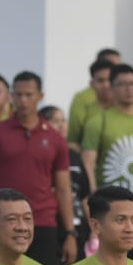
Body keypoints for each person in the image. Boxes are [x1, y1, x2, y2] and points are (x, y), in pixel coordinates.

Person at [0, 71, 75, 265]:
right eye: (18, 94)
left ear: (40, 96)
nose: (23, 100)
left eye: (29, 94)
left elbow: (64, 189)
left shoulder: (55, 138)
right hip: (4, 220)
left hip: (44, 222)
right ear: (11, 96)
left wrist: (70, 233)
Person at [81, 64, 133, 263]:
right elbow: (88, 165)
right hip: (111, 204)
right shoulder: (98, 122)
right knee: (113, 260)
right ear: (112, 88)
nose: (129, 89)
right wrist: (93, 202)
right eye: (123, 84)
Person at [40, 106, 91, 251]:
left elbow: (85, 196)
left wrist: (93, 228)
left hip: (78, 227)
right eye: (55, 121)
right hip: (51, 226)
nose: (61, 125)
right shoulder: (39, 155)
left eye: (63, 120)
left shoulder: (74, 156)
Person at [68, 53, 118, 150]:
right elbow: (72, 142)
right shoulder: (85, 107)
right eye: (100, 81)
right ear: (92, 84)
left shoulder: (126, 109)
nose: (106, 85)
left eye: (109, 80)